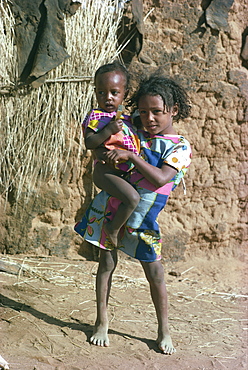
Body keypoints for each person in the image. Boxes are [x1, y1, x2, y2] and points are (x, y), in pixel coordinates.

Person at [75, 73, 192, 354]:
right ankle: (101, 322)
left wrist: (131, 157)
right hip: (113, 209)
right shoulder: (134, 130)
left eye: (156, 112)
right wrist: (105, 154)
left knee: (156, 275)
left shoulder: (179, 147)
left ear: (173, 110)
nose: (149, 118)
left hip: (143, 221)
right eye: (142, 112)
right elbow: (106, 142)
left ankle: (164, 330)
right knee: (105, 266)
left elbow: (162, 178)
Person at [82, 61, 140, 247]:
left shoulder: (125, 117)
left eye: (114, 93)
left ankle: (115, 231)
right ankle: (112, 228)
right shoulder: (96, 116)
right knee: (132, 198)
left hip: (121, 173)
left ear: (125, 94)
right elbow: (89, 142)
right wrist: (108, 130)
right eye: (101, 92)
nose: (108, 98)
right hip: (105, 172)